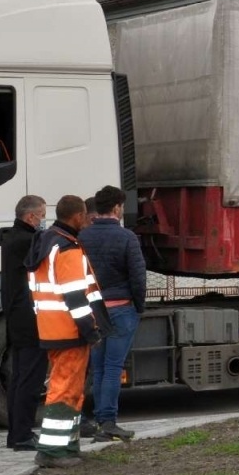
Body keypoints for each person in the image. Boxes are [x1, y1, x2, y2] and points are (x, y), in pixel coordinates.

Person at [27, 194, 108, 468]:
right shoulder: (68, 248)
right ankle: (52, 452)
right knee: (64, 390)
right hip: (70, 330)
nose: (87, 219)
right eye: (85, 215)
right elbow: (75, 297)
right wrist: (91, 331)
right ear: (77, 216)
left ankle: (68, 446)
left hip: (51, 327)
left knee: (69, 389)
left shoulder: (46, 242)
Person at [79, 185, 147, 442]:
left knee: (97, 368)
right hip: (121, 308)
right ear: (117, 207)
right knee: (113, 367)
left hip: (93, 310)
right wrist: (139, 306)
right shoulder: (127, 237)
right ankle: (108, 421)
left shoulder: (82, 237)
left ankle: (100, 420)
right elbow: (138, 277)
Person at [0, 195, 48, 450]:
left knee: (19, 378)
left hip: (17, 316)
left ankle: (17, 433)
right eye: (42, 215)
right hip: (29, 319)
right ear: (30, 216)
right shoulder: (27, 241)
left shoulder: (12, 237)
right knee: (30, 379)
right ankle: (22, 435)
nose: (43, 220)